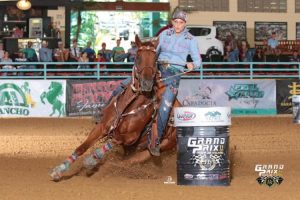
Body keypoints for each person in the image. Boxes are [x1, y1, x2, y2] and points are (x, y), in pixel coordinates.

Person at [149, 10, 201, 156]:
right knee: (129, 83)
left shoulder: (191, 39)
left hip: (173, 73)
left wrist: (192, 64)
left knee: (165, 106)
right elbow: (155, 51)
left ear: (185, 24)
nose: (178, 25)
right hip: (158, 67)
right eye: (176, 22)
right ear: (172, 22)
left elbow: (198, 61)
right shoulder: (164, 34)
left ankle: (156, 140)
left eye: (181, 22)